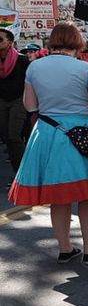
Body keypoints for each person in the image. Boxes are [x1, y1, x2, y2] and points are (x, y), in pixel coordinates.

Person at [9, 22, 88, 265]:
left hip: (47, 133)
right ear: (77, 41)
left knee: (59, 196)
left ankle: (65, 248)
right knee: (87, 195)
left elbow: (30, 106)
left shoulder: (34, 67)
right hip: (81, 133)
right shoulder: (84, 68)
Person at [0, 29, 28, 188]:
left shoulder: (22, 60)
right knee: (6, 137)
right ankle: (18, 174)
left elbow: (31, 81)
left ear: (9, 42)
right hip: (2, 101)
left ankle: (23, 174)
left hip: (18, 100)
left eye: (0, 39)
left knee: (13, 136)